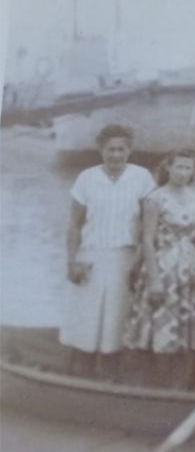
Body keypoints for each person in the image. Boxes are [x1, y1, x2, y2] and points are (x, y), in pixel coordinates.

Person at [62, 124, 156, 378]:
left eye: (121, 149)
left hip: (124, 260)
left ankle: (111, 383)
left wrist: (138, 264)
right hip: (89, 259)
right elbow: (74, 226)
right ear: (100, 150)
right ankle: (79, 382)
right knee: (85, 327)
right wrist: (72, 263)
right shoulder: (86, 178)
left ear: (130, 150)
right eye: (110, 149)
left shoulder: (142, 177)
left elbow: (148, 230)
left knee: (115, 328)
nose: (116, 155)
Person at [122, 148, 195, 388]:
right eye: (179, 167)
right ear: (168, 168)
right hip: (164, 269)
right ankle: (159, 385)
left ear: (193, 171)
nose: (183, 173)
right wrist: (154, 280)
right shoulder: (155, 199)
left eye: (188, 168)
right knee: (162, 325)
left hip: (190, 271)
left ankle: (183, 383)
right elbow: (147, 240)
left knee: (190, 324)